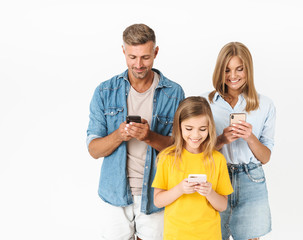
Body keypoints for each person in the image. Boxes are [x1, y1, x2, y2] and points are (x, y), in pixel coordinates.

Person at [86, 23, 185, 240]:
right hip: (114, 193)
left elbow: (180, 147)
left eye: (145, 57)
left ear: (156, 52)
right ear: (123, 51)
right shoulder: (104, 91)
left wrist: (149, 137)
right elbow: (93, 150)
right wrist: (119, 135)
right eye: (132, 57)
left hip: (156, 192)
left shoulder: (174, 92)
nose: (138, 64)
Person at [204, 42, 276, 240]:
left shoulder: (265, 105)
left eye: (239, 69)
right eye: (227, 70)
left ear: (248, 70)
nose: (233, 76)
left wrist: (250, 138)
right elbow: (196, 151)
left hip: (251, 178)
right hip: (216, 177)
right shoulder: (205, 103)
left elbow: (266, 157)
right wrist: (221, 140)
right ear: (219, 71)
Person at [152, 96, 234, 240]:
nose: (195, 135)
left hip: (209, 235)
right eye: (189, 128)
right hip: (176, 235)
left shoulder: (217, 159)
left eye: (202, 129)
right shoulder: (166, 157)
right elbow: (158, 201)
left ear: (210, 128)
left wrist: (210, 193)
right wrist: (180, 189)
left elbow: (223, 206)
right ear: (179, 127)